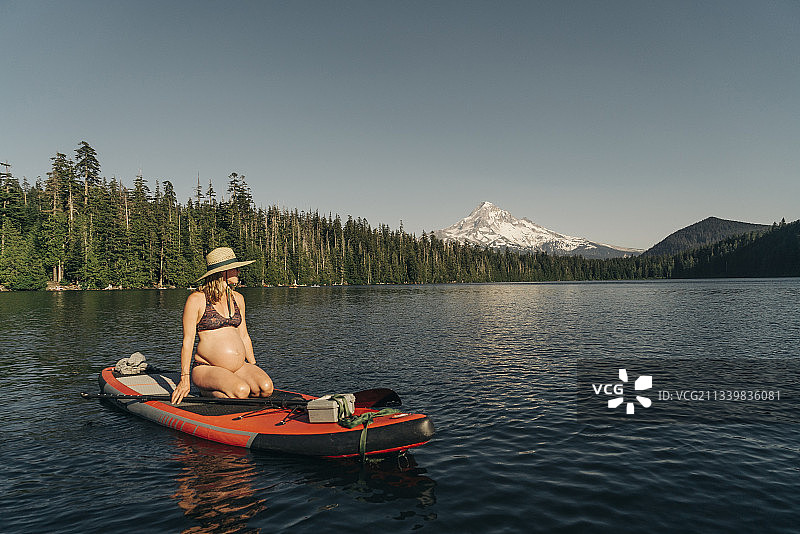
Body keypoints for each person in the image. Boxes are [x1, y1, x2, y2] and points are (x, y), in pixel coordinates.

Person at [171, 247, 274, 404]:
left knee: (266, 388)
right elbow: (188, 341)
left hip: (238, 367)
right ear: (222, 272)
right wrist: (184, 379)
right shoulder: (197, 300)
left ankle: (232, 385)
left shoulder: (238, 299)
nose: (239, 271)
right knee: (241, 391)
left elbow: (244, 336)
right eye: (235, 268)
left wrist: (253, 365)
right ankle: (207, 391)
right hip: (206, 368)